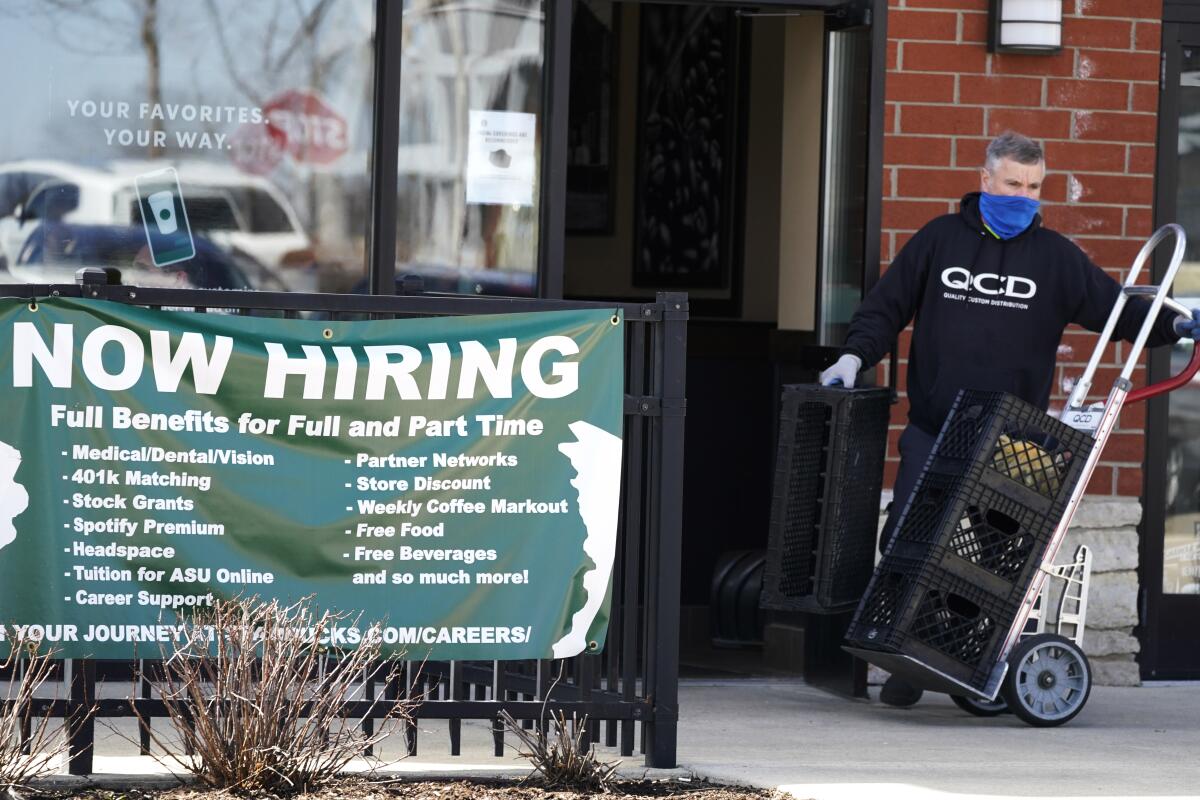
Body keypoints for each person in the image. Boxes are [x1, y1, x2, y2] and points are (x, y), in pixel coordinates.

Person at [819, 131, 1200, 707]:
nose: (1023, 196)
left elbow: (1115, 311)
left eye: (1033, 187)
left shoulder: (1055, 258)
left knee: (996, 564)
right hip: (938, 423)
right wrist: (852, 358)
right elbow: (885, 307)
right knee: (910, 540)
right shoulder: (940, 241)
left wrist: (1178, 325)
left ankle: (969, 665)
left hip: (1015, 435)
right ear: (986, 180)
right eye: (1013, 184)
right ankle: (907, 664)